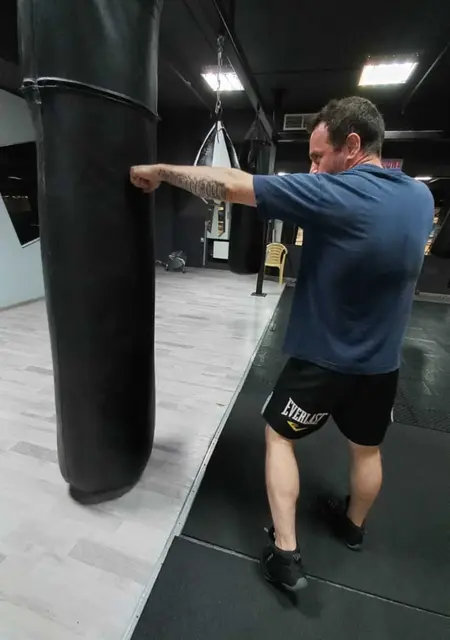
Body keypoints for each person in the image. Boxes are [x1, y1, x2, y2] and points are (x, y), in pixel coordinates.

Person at [130, 96, 434, 593]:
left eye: (318, 157)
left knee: (279, 437)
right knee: (367, 451)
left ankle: (286, 554)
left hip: (322, 361)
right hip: (381, 365)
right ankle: (352, 528)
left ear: (352, 145)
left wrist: (161, 171)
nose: (313, 169)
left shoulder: (334, 193)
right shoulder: (420, 198)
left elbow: (230, 184)